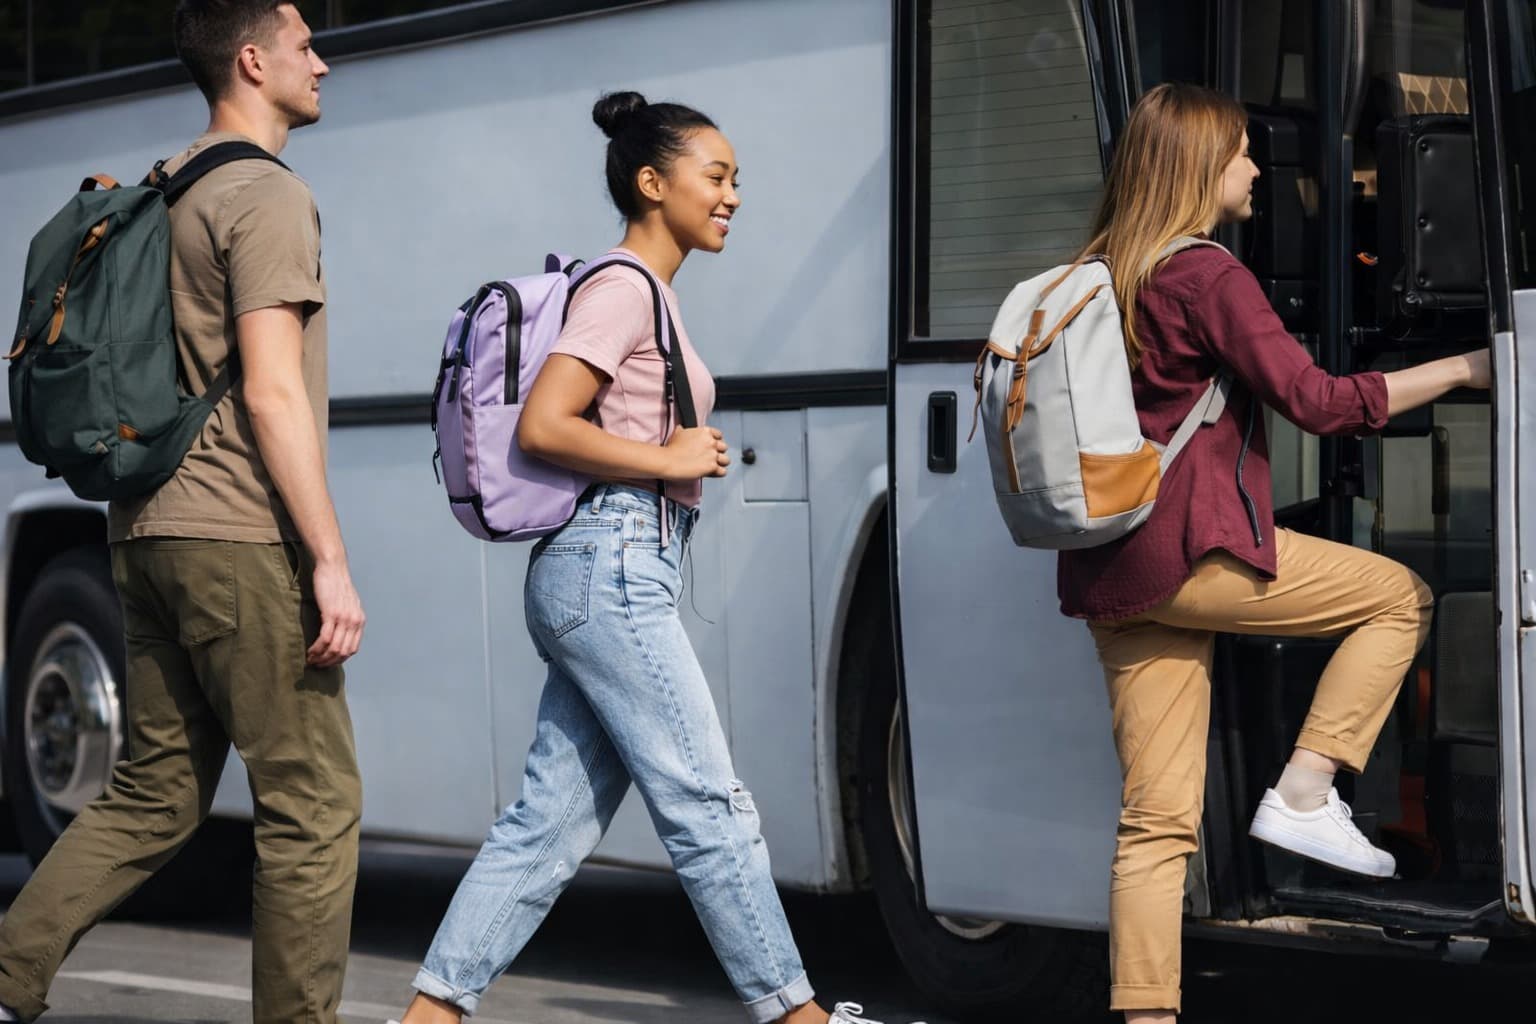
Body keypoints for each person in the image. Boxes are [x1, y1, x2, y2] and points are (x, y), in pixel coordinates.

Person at [394, 92, 913, 1024]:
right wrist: (668, 457)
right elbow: (546, 423)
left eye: (736, 180)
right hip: (613, 563)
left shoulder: (647, 292)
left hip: (608, 566)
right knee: (707, 805)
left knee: (548, 825)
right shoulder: (624, 288)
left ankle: (428, 1018)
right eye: (716, 176)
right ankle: (797, 1016)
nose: (733, 196)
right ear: (651, 182)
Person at [1056, 82, 1491, 1023]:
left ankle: (1147, 1015)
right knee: (1398, 597)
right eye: (1243, 153)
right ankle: (1304, 789)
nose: (1257, 169)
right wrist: (1468, 367)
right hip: (1194, 552)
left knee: (1155, 822)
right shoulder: (1208, 276)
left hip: (1111, 569)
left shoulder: (1098, 272)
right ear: (1200, 167)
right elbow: (1321, 402)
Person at [0, 3, 365, 1021]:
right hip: (238, 536)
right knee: (314, 803)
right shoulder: (265, 196)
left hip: (144, 531)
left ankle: (6, 975)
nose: (323, 64)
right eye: (305, 47)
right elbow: (272, 392)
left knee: (155, 792)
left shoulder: (167, 186)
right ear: (252, 60)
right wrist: (328, 557)